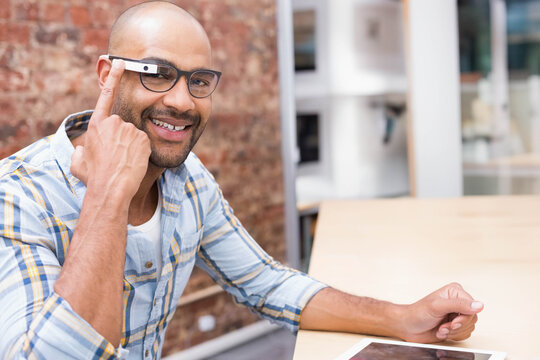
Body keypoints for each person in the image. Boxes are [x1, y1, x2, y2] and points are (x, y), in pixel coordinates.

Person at [0, 1, 483, 359]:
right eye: (157, 73)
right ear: (108, 75)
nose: (183, 102)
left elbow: (266, 284)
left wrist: (403, 317)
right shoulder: (19, 194)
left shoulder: (187, 182)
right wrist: (107, 192)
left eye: (199, 81)